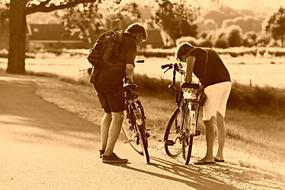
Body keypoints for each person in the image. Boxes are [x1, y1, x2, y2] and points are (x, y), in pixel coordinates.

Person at [90, 23, 147, 163]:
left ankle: (103, 149)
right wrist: (131, 81)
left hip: (96, 78)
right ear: (138, 34)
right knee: (118, 115)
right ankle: (109, 155)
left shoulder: (113, 37)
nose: (140, 43)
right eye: (142, 40)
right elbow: (128, 68)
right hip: (112, 80)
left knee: (108, 113)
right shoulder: (131, 42)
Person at [175, 42, 231, 165]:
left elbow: (188, 79)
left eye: (182, 60)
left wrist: (183, 85)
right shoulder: (209, 51)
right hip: (227, 83)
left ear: (183, 54)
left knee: (208, 120)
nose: (184, 62)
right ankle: (219, 154)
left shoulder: (191, 56)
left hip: (213, 86)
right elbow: (211, 71)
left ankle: (209, 156)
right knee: (220, 118)